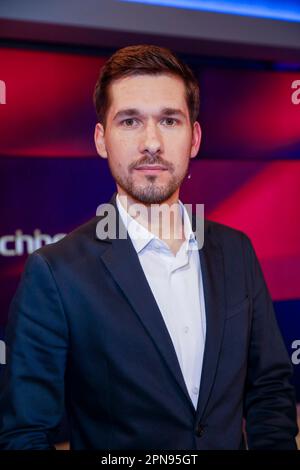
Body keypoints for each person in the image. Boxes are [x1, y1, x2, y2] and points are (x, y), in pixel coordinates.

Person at [0, 44, 298, 450]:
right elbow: (25, 433)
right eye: (130, 121)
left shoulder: (236, 251)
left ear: (193, 138)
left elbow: (270, 389)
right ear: (102, 139)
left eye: (169, 120)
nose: (152, 142)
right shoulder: (55, 272)